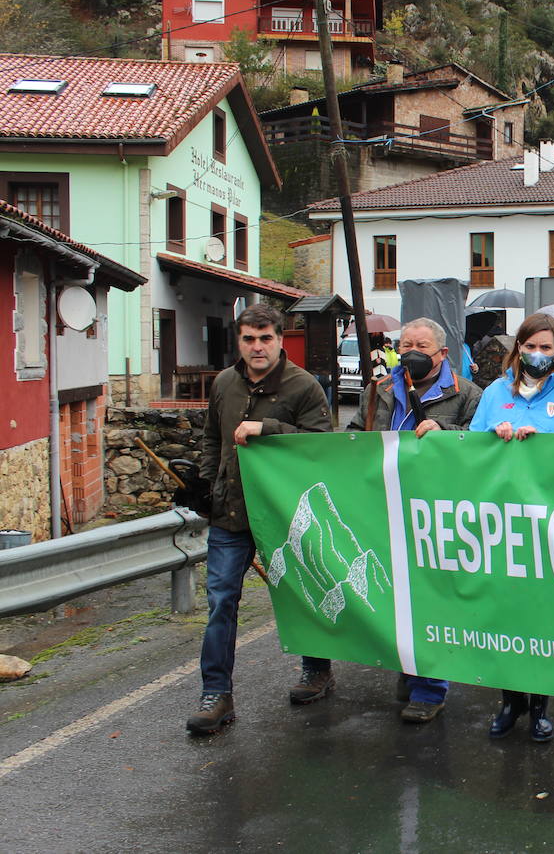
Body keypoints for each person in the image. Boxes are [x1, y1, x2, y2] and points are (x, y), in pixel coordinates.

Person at [185, 304, 333, 735]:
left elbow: (323, 446)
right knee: (220, 602)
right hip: (231, 513)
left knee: (302, 592)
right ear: (239, 341)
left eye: (265, 337)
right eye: (249, 338)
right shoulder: (225, 383)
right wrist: (210, 485)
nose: (257, 347)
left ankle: (317, 669)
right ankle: (216, 694)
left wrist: (266, 427)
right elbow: (213, 437)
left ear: (280, 339)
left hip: (286, 514)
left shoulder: (304, 387)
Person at [347, 318, 483, 723]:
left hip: (436, 511)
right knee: (396, 594)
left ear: (442, 353)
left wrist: (443, 429)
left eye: (422, 345)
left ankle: (430, 687)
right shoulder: (381, 390)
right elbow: (357, 433)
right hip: (387, 506)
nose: (412, 352)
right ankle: (409, 666)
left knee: (431, 597)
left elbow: (477, 442)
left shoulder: (467, 393)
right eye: (405, 344)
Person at [469, 312, 554, 741]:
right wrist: (492, 437)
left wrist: (546, 446)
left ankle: (540, 705)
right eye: (530, 345)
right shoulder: (494, 394)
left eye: (546, 347)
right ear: (517, 348)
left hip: (547, 525)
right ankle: (510, 702)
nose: (537, 354)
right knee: (505, 617)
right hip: (500, 525)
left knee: (541, 620)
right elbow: (468, 449)